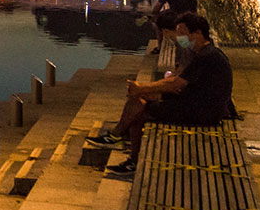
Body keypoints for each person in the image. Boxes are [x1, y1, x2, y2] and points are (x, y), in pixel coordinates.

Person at [87, 13, 234, 176]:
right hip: (196, 102)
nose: (179, 37)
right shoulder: (206, 53)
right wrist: (144, 90)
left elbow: (175, 84)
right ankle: (118, 137)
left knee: (139, 112)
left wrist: (142, 88)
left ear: (198, 33)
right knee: (140, 99)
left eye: (182, 33)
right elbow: (179, 81)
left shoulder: (205, 57)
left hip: (202, 112)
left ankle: (131, 159)